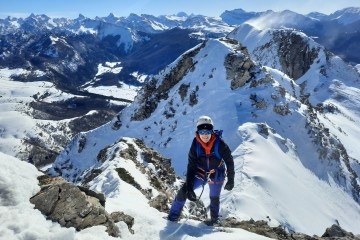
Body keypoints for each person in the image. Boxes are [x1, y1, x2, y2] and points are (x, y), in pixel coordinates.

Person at [167, 115, 235, 225]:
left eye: (207, 132)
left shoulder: (220, 144)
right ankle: (172, 218)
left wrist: (230, 179)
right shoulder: (195, 145)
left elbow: (229, 161)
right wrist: (189, 187)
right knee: (183, 192)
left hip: (216, 173)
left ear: (212, 131)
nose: (205, 135)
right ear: (198, 132)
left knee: (214, 198)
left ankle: (213, 221)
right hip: (200, 172)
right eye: (202, 132)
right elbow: (191, 165)